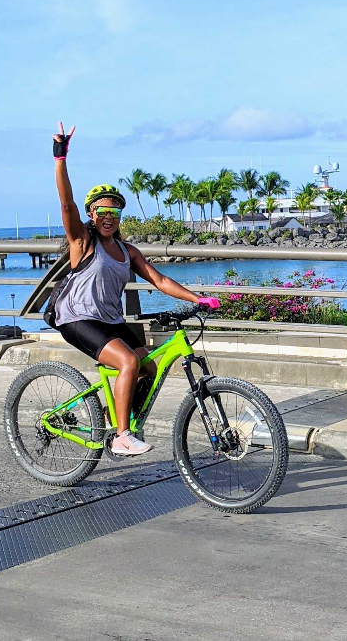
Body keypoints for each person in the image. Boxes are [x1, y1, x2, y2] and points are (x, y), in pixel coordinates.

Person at [51, 121, 220, 456]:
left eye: (114, 210)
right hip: (77, 318)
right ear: (92, 214)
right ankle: (122, 435)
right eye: (102, 210)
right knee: (129, 362)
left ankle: (116, 417)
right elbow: (67, 204)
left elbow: (159, 280)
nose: (109, 215)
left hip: (110, 321)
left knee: (149, 365)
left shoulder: (128, 251)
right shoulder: (83, 242)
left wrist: (197, 298)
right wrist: (61, 158)